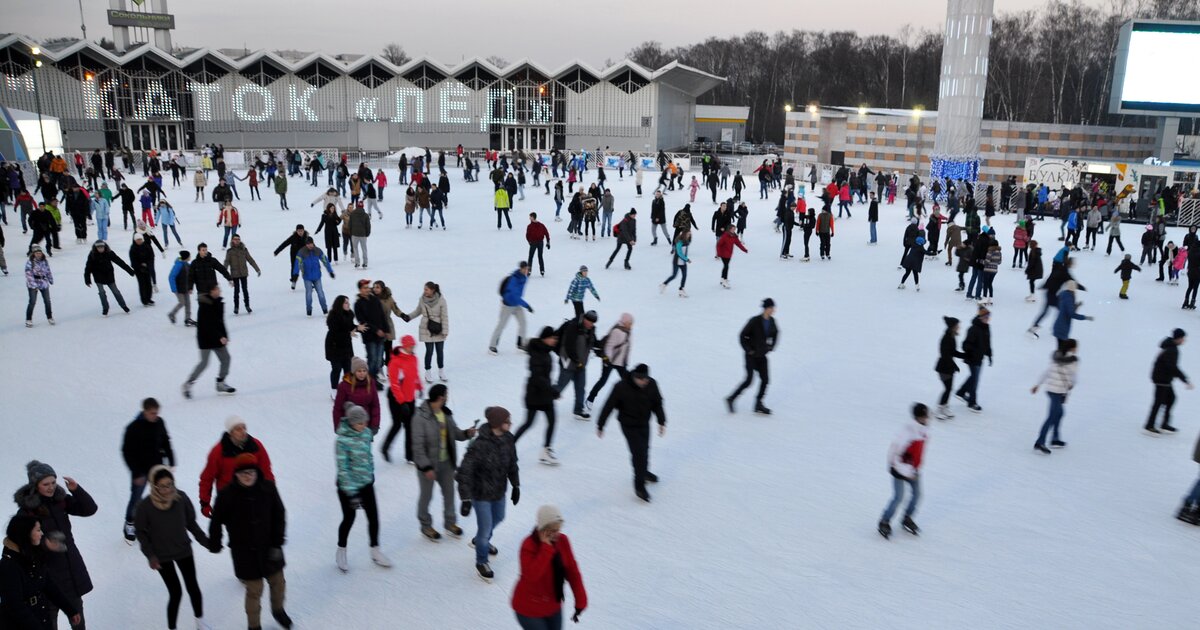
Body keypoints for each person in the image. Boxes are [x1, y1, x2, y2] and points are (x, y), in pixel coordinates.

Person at [207, 453, 293, 630]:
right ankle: (254, 626)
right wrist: (215, 542)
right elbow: (216, 521)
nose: (248, 476)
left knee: (278, 583)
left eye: (251, 472)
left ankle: (278, 610)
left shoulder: (268, 488)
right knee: (254, 590)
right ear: (236, 474)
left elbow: (279, 514)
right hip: (244, 552)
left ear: (256, 471)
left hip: (270, 548)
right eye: (243, 473)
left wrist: (277, 543)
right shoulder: (226, 495)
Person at [13, 461, 96, 628]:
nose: (51, 487)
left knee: (78, 621)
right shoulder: (28, 510)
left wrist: (76, 490)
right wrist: (45, 544)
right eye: (46, 484)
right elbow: (21, 540)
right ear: (35, 485)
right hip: (47, 576)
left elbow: (89, 509)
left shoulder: (60, 500)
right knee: (49, 622)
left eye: (53, 482)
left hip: (70, 570)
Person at [134, 466, 212, 630]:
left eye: (170, 484)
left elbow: (191, 524)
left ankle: (200, 621)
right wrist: (151, 556)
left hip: (183, 550)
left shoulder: (181, 498)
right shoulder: (145, 506)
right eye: (162, 486)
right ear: (155, 487)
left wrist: (205, 541)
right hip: (162, 556)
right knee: (176, 593)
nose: (167, 489)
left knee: (193, 587)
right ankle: (172, 627)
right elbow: (141, 533)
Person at [457, 406, 520, 582]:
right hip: (481, 494)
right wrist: (466, 498)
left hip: (499, 491)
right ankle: (481, 561)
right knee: (485, 529)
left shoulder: (509, 439)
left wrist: (515, 485)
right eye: (507, 421)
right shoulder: (480, 445)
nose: (510, 423)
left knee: (499, 517)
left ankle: (479, 541)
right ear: (498, 423)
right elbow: (465, 471)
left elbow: (513, 463)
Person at [412, 384, 477, 542]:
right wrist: (426, 467)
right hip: (428, 465)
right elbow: (417, 446)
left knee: (449, 494)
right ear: (440, 397)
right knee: (426, 496)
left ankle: (450, 523)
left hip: (446, 462)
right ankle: (426, 525)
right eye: (446, 395)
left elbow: (455, 433)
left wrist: (467, 433)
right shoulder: (420, 417)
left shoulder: (445, 414)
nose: (448, 397)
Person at [334, 403, 391, 572]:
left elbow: (368, 456)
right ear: (351, 423)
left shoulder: (366, 433)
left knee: (373, 517)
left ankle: (375, 550)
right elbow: (342, 469)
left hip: (366, 483)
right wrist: (351, 494)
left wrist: (371, 475)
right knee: (349, 518)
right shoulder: (342, 441)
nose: (363, 426)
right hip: (347, 487)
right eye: (359, 423)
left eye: (364, 422)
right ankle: (341, 550)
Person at [597, 364, 667, 502]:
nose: (644, 382)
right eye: (642, 379)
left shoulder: (651, 384)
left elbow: (657, 403)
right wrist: (601, 424)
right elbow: (609, 405)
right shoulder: (621, 387)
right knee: (638, 453)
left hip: (644, 423)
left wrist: (661, 421)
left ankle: (644, 472)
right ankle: (639, 486)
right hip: (628, 425)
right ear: (635, 377)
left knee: (645, 449)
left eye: (646, 379)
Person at [511, 505, 588, 629]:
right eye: (552, 530)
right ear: (542, 529)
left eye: (558, 529)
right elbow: (531, 576)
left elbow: (573, 572)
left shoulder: (563, 541)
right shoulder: (528, 546)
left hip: (553, 606)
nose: (556, 533)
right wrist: (546, 548)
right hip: (528, 609)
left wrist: (581, 600)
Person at [0, 514, 83, 628]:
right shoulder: (9, 566)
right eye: (38, 530)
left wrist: (69, 609)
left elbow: (48, 585)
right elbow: (15, 606)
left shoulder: (33, 555)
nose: (42, 534)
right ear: (26, 533)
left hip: (41, 617)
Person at [197, 417, 275, 519]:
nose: (242, 431)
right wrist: (205, 503)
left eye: (244, 428)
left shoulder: (256, 445)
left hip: (254, 495)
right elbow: (207, 478)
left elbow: (266, 471)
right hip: (230, 499)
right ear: (230, 433)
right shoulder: (218, 452)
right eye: (238, 429)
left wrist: (272, 494)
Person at [121, 398, 175, 543]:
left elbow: (165, 441)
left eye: (157, 413)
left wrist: (171, 460)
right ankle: (130, 523)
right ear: (144, 411)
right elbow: (127, 451)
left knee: (161, 494)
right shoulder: (133, 428)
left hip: (157, 467)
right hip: (141, 470)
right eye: (152, 413)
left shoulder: (159, 422)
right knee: (136, 497)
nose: (155, 416)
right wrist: (136, 472)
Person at [877, 403, 929, 539]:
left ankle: (907, 518)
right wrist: (906, 471)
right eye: (925, 416)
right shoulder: (907, 432)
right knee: (898, 498)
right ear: (918, 416)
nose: (927, 418)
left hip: (913, 470)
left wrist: (915, 468)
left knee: (917, 495)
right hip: (900, 470)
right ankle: (884, 521)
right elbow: (894, 453)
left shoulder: (924, 430)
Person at [516, 326, 561, 466]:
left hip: (542, 392)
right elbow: (537, 377)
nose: (554, 341)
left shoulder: (545, 350)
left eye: (555, 338)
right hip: (537, 393)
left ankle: (545, 451)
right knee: (529, 423)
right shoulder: (537, 353)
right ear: (545, 338)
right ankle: (507, 446)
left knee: (550, 421)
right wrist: (552, 390)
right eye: (552, 338)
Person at [182, 284, 235, 399]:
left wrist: (225, 336)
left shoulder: (218, 303)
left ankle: (220, 383)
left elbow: (220, 321)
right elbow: (207, 325)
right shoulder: (204, 305)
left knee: (226, 359)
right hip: (206, 337)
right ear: (211, 291)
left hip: (218, 337)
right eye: (217, 289)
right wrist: (220, 336)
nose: (219, 291)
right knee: (204, 363)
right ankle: (188, 384)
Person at [726, 298, 779, 415]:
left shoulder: (772, 322)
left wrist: (771, 346)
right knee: (749, 380)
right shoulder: (754, 321)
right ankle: (731, 399)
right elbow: (742, 335)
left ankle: (758, 404)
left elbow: (776, 333)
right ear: (766, 309)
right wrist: (748, 350)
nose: (774, 310)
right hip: (751, 356)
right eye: (772, 308)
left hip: (762, 355)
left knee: (765, 380)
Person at [1031, 340, 1079, 454]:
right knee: (1052, 416)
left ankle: (1055, 439)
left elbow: (1047, 372)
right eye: (1076, 347)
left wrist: (1038, 384)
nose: (1077, 349)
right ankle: (1040, 441)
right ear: (1072, 348)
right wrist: (1071, 385)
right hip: (1058, 392)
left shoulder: (1056, 356)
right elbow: (1074, 377)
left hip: (1050, 390)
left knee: (1060, 413)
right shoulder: (1073, 361)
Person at [383, 335, 422, 463]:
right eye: (411, 346)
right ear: (405, 346)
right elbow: (395, 384)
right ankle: (385, 447)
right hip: (396, 399)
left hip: (409, 397)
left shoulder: (413, 358)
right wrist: (401, 402)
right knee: (397, 424)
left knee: (410, 426)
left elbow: (415, 375)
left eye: (413, 346)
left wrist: (419, 387)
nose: (413, 348)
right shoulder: (395, 362)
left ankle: (410, 456)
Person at [555, 310, 599, 420]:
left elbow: (594, 344)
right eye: (589, 320)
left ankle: (578, 410)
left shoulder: (591, 330)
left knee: (580, 388)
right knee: (560, 386)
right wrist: (576, 361)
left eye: (592, 322)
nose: (590, 324)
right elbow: (568, 346)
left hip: (581, 365)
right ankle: (543, 399)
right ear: (585, 318)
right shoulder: (574, 327)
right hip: (568, 364)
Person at [1146, 328, 1193, 434]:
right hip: (1161, 379)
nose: (1184, 341)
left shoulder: (1170, 346)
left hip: (1163, 378)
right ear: (1178, 338)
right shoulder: (1172, 350)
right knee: (1158, 402)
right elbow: (1172, 368)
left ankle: (1164, 423)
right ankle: (1149, 425)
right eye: (1183, 338)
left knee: (1171, 399)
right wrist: (1185, 380)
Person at [587, 313, 633, 410]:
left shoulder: (628, 331)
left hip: (620, 362)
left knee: (628, 381)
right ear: (625, 322)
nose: (631, 324)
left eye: (631, 323)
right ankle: (590, 398)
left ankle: (628, 401)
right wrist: (607, 359)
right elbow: (609, 346)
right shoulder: (617, 331)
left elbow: (626, 348)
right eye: (630, 322)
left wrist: (625, 360)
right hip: (610, 361)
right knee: (603, 381)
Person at [489, 262, 533, 355]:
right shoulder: (513, 279)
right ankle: (492, 346)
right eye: (524, 269)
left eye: (527, 269)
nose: (526, 271)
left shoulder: (524, 278)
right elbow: (514, 295)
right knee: (501, 325)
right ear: (520, 269)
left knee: (523, 323)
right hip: (508, 305)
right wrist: (526, 305)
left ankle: (521, 344)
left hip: (516, 305)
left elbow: (518, 296)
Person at [954, 307, 992, 413]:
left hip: (980, 358)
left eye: (989, 317)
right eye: (986, 317)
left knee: (973, 378)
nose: (988, 319)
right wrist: (973, 352)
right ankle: (972, 403)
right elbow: (965, 344)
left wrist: (989, 355)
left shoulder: (986, 327)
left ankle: (961, 392)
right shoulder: (973, 329)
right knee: (975, 380)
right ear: (980, 317)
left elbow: (987, 343)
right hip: (972, 358)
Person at [83, 239, 135, 316]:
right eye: (98, 248)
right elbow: (88, 267)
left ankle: (123, 306)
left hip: (109, 276)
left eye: (102, 247)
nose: (100, 249)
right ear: (95, 248)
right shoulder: (92, 255)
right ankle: (105, 308)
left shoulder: (109, 253)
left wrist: (130, 271)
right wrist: (87, 279)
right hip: (98, 277)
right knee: (102, 293)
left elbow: (120, 262)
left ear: (104, 247)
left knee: (116, 292)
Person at [332, 356, 382, 434]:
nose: (362, 373)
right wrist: (338, 426)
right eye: (359, 371)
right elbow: (338, 409)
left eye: (364, 371)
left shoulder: (371, 383)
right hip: (349, 427)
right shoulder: (344, 386)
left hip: (366, 426)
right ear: (354, 372)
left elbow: (375, 405)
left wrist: (375, 424)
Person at [353, 279, 388, 382]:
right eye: (365, 288)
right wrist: (376, 330)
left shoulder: (375, 300)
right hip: (369, 337)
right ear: (360, 290)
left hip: (380, 335)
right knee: (372, 359)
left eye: (368, 287)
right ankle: (371, 380)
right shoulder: (358, 304)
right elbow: (362, 321)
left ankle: (373, 378)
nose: (368, 289)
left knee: (378, 360)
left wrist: (385, 329)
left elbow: (382, 316)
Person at [292, 237, 335, 317]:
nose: (309, 245)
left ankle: (325, 310)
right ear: (306, 244)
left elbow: (325, 261)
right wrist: (295, 274)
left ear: (313, 243)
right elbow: (297, 263)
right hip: (307, 277)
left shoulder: (317, 250)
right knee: (308, 294)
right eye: (308, 244)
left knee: (321, 293)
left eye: (310, 244)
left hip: (317, 276)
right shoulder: (301, 252)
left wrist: (330, 271)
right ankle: (309, 311)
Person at [934, 317, 966, 421]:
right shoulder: (946, 338)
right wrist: (955, 366)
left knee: (949, 388)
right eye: (957, 325)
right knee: (947, 388)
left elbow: (953, 352)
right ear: (952, 327)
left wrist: (965, 355)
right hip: (943, 368)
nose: (959, 327)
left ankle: (944, 407)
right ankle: (939, 409)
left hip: (949, 367)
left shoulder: (952, 337)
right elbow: (945, 355)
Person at [221, 234, 261, 315]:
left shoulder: (244, 249)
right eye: (235, 239)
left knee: (245, 290)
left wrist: (257, 269)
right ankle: (236, 307)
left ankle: (247, 305)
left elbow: (250, 260)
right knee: (236, 291)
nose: (237, 241)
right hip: (235, 274)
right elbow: (226, 262)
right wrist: (224, 272)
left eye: (238, 239)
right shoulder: (230, 251)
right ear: (232, 240)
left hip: (243, 273)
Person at [24, 245, 54, 327]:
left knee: (47, 301)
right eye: (37, 253)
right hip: (32, 284)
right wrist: (34, 285)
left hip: (43, 283)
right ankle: (28, 319)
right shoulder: (30, 262)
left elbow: (48, 271)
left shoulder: (45, 261)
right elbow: (28, 274)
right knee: (32, 302)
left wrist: (50, 279)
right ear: (33, 254)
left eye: (40, 253)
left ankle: (49, 317)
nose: (38, 254)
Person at [273, 224, 309, 289]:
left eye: (301, 231)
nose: (300, 232)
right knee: (294, 268)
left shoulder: (307, 237)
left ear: (304, 230)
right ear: (296, 231)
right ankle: (294, 281)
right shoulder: (293, 237)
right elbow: (284, 244)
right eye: (299, 231)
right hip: (294, 255)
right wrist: (277, 251)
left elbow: (312, 246)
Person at [715, 224, 748, 289]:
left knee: (725, 266)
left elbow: (738, 244)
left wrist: (744, 249)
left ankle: (722, 279)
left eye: (734, 229)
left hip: (729, 254)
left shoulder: (734, 236)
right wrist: (718, 254)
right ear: (729, 229)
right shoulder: (725, 236)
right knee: (726, 266)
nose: (734, 230)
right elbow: (718, 245)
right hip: (723, 253)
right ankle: (725, 280)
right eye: (733, 229)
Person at [348, 201, 371, 268]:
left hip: (354, 234)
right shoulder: (366, 215)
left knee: (355, 248)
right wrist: (367, 233)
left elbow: (350, 225)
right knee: (364, 249)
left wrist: (351, 232)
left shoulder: (352, 214)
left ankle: (357, 262)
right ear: (363, 206)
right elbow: (368, 226)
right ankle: (365, 263)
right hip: (363, 235)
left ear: (356, 206)